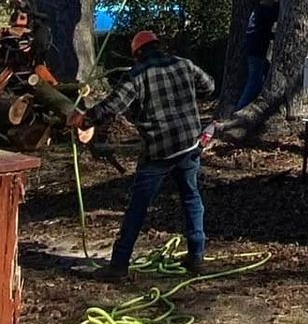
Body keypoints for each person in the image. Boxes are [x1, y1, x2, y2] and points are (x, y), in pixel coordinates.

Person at [72, 29, 215, 277]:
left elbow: (113, 105)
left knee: (138, 207)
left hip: (159, 152)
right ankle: (197, 257)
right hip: (189, 145)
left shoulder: (137, 74)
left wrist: (85, 120)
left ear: (137, 54)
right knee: (191, 198)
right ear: (159, 46)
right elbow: (210, 87)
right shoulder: (184, 64)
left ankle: (118, 265)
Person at [237, 0, 280, 109]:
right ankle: (240, 108)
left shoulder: (257, 11)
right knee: (254, 82)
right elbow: (275, 16)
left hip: (253, 49)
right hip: (257, 51)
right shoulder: (264, 11)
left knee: (265, 73)